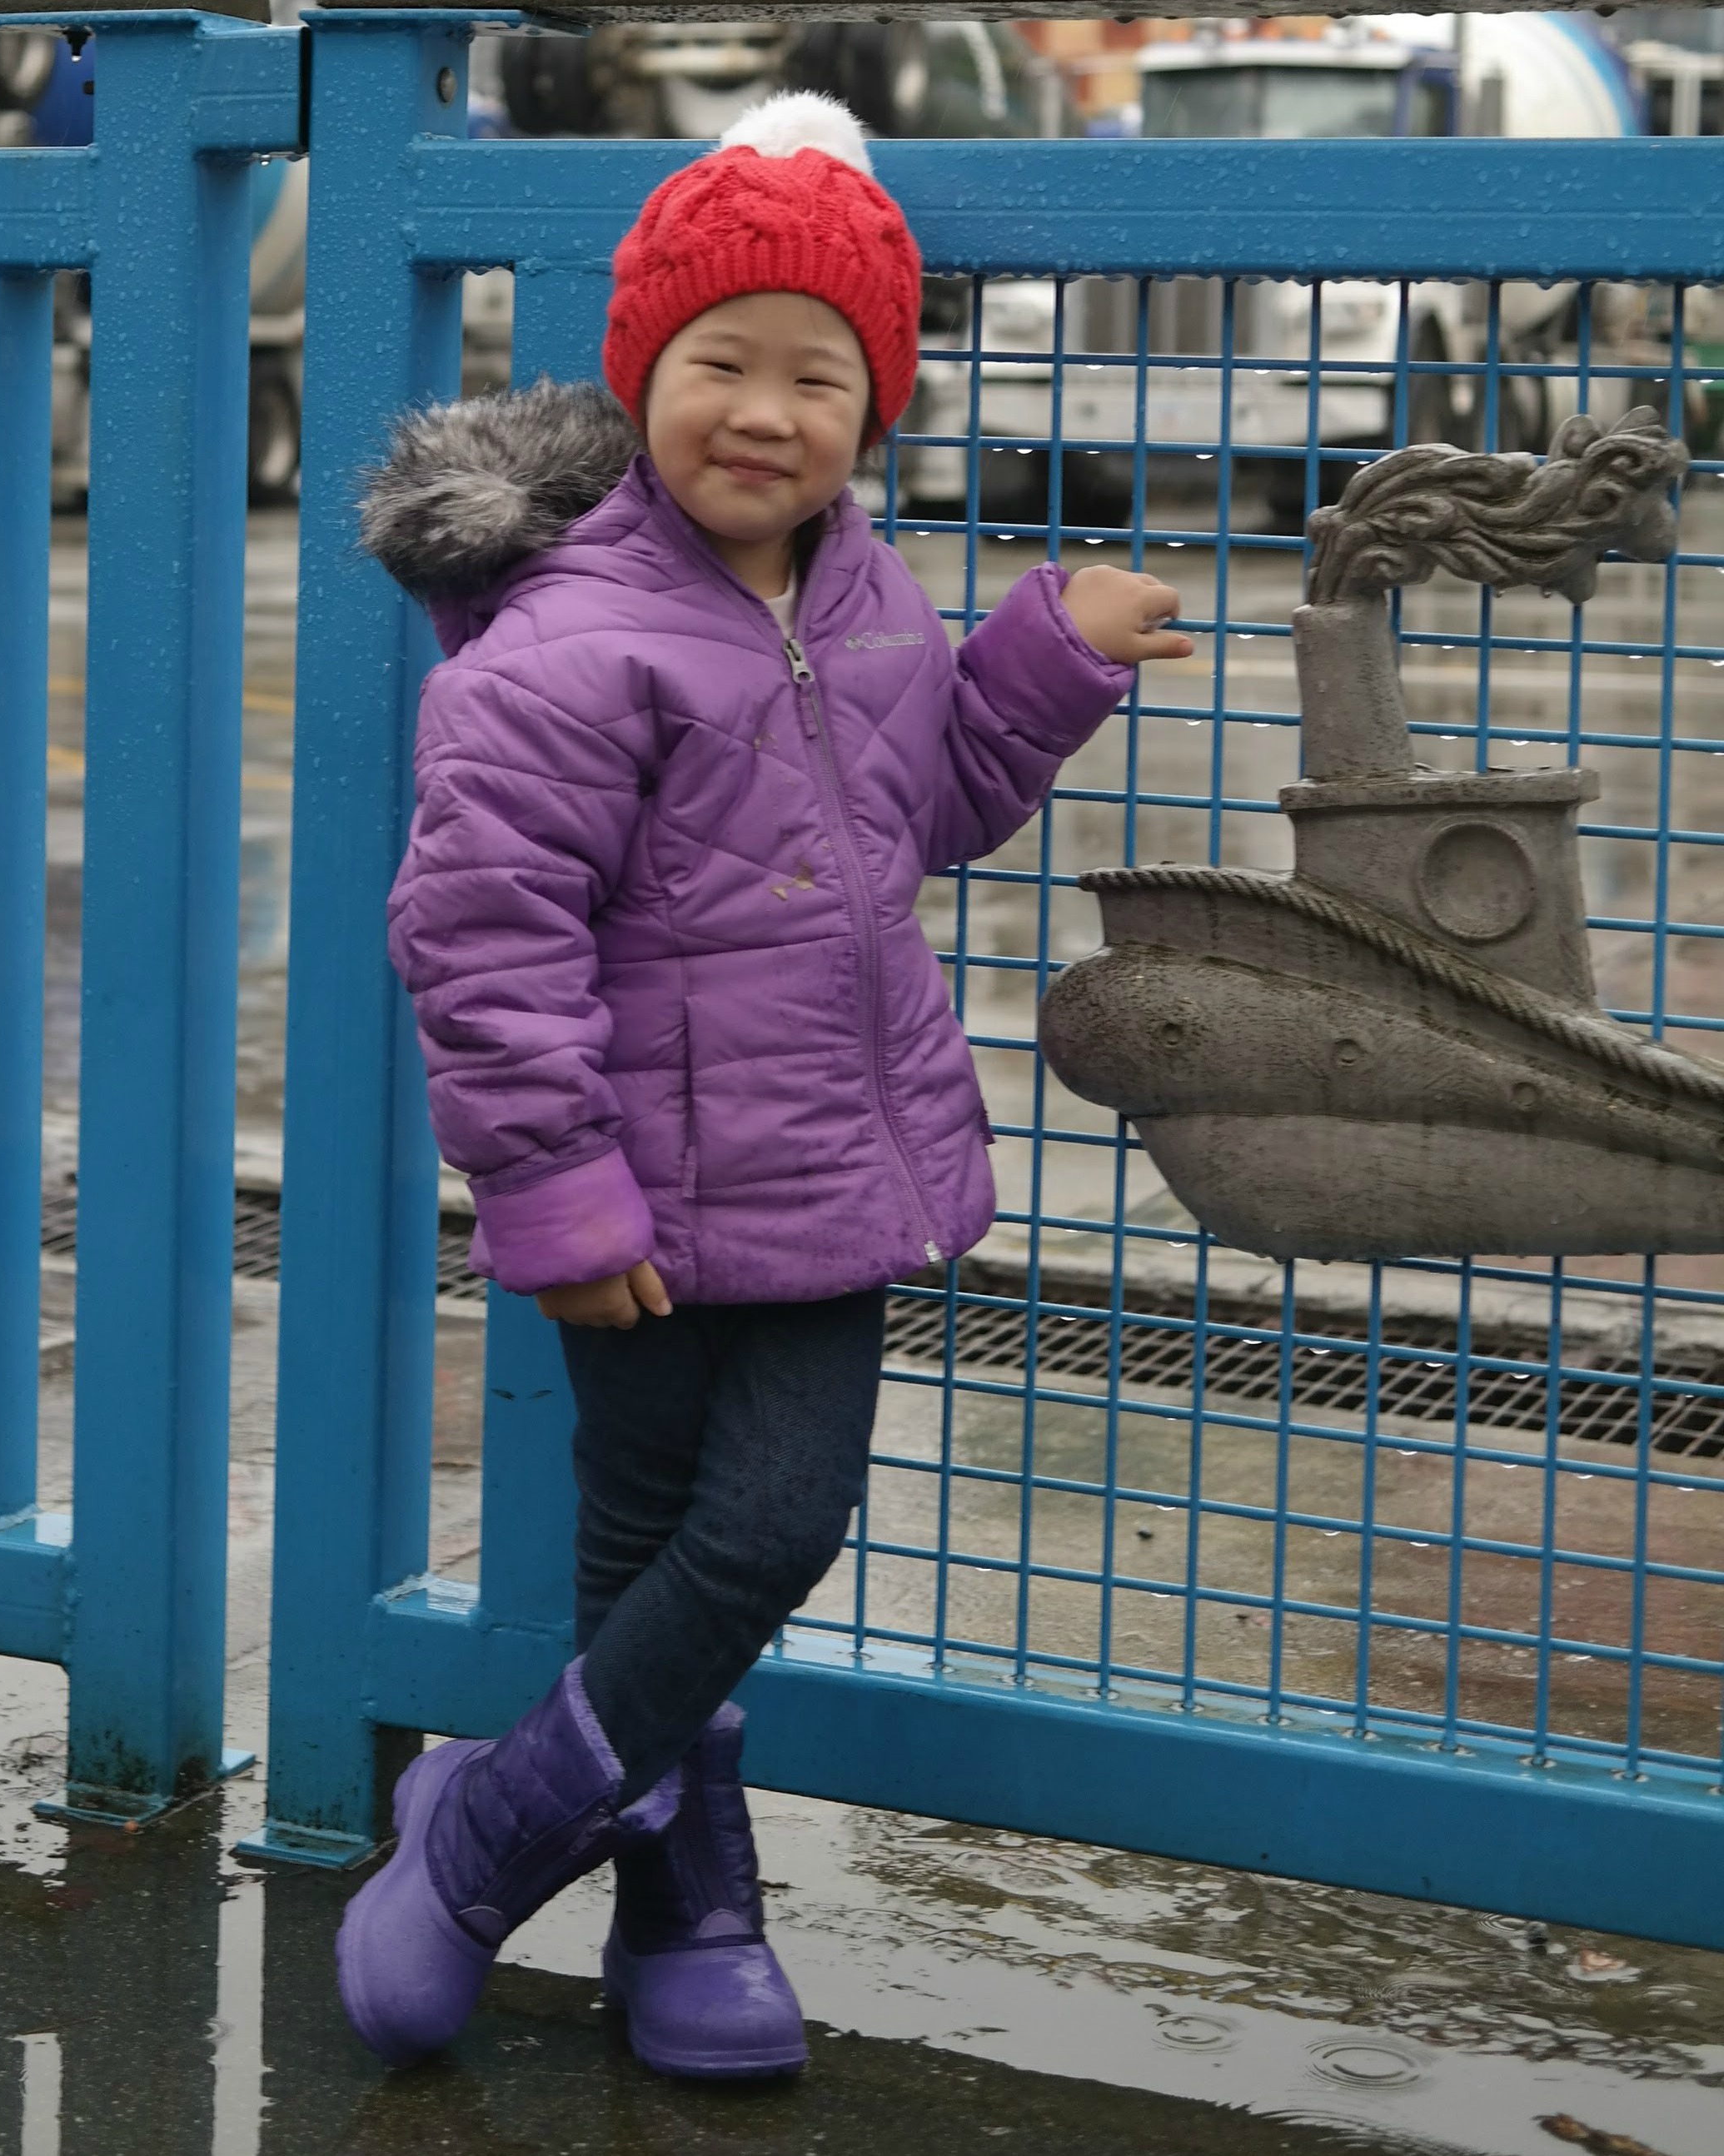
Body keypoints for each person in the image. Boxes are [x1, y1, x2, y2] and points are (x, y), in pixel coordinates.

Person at [336, 90, 1191, 2079]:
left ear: (874, 412)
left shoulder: (874, 594)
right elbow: (481, 934)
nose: (766, 410)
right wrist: (550, 1188)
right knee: (649, 1546)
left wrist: (1043, 653)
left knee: (778, 1517)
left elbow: (928, 805)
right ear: (644, 377)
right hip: (628, 1195)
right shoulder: (565, 646)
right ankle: (689, 1907)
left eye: (822, 376)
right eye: (722, 361)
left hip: (826, 1174)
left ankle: (487, 1818)